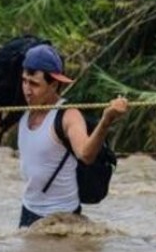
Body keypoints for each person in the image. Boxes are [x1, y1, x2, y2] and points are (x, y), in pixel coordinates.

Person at [16, 44, 128, 228]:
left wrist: (106, 120)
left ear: (53, 84)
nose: (27, 90)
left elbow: (86, 154)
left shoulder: (68, 116)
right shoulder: (22, 109)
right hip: (28, 210)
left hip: (62, 218)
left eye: (34, 84)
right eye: (24, 81)